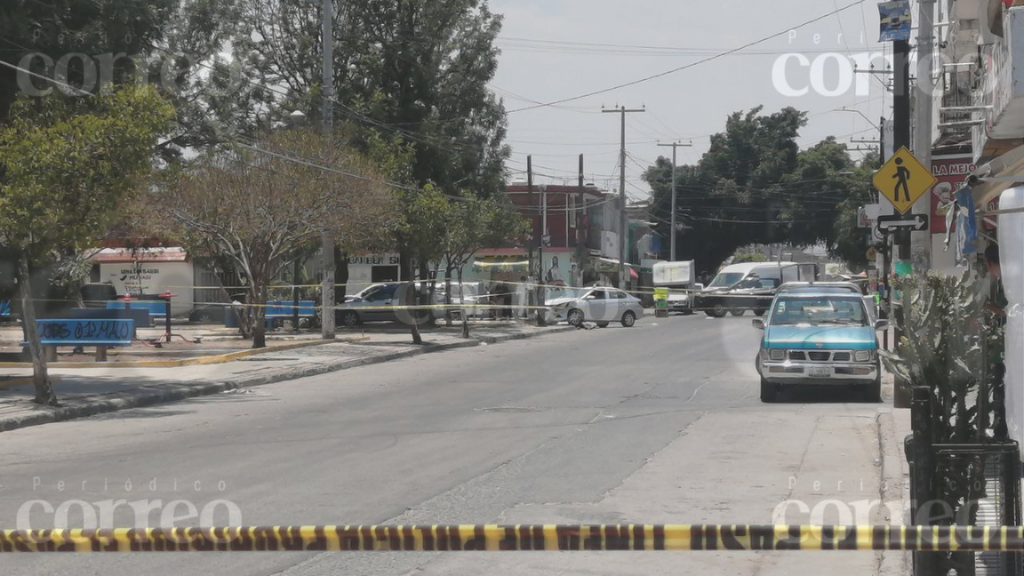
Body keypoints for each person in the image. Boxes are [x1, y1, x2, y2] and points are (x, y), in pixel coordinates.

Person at [984, 243, 1008, 440]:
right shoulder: (1003, 282)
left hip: (1008, 350)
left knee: (1002, 390)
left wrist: (990, 307)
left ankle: (1002, 431)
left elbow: (1010, 312)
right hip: (1001, 348)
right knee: (999, 389)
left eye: (987, 265)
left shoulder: (1011, 283)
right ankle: (999, 427)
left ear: (992, 263)